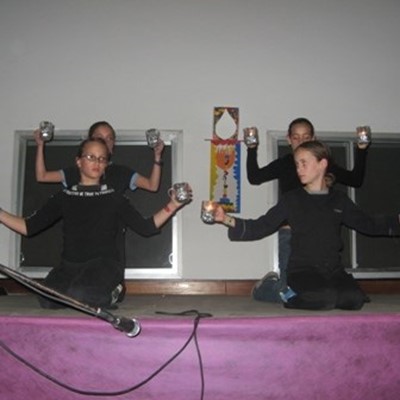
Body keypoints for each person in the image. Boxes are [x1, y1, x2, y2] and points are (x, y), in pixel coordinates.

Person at [0, 137, 191, 309]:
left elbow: (146, 227)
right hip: (69, 266)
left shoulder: (114, 198)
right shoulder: (64, 197)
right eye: (91, 157)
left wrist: (173, 205)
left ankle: (114, 290)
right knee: (47, 299)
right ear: (78, 161)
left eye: (102, 159)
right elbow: (29, 227)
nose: (97, 163)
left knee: (81, 295)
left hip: (103, 266)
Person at [212, 140, 399, 311]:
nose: (299, 169)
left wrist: (396, 221)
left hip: (333, 270)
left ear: (322, 164)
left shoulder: (339, 200)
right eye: (297, 164)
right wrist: (225, 218)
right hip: (303, 270)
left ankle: (316, 291)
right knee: (324, 299)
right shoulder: (292, 200)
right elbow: (262, 226)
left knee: (354, 300)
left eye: (304, 163)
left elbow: (367, 224)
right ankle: (281, 292)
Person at [246, 117, 370, 303]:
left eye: (305, 137)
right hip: (290, 233)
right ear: (289, 139)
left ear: (313, 138)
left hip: (317, 236)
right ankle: (264, 289)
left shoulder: (321, 164)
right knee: (290, 294)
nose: (301, 141)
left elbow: (355, 180)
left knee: (320, 292)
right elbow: (255, 177)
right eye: (296, 137)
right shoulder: (285, 163)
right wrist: (251, 148)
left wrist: (361, 149)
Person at [34, 120, 165, 194]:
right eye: (99, 137)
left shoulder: (121, 172)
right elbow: (42, 176)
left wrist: (157, 156)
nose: (104, 142)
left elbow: (152, 186)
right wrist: (40, 145)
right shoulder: (76, 171)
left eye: (109, 138)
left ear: (113, 144)